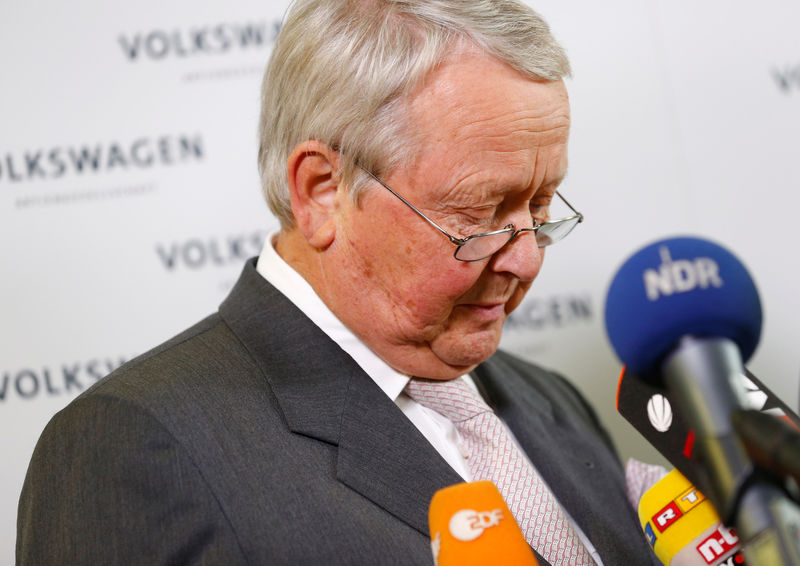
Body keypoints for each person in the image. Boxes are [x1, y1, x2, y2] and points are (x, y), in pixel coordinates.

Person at [17, 1, 659, 564]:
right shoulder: (137, 448)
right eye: (477, 216)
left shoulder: (551, 400)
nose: (526, 261)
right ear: (322, 192)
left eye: (541, 209)